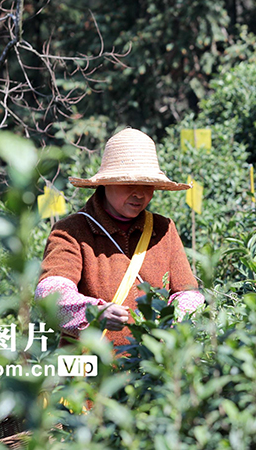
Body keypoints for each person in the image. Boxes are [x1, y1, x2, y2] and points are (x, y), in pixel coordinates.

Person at [35, 128, 204, 349]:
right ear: (106, 182)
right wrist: (94, 312)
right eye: (129, 183)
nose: (140, 194)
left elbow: (188, 292)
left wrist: (176, 321)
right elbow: (50, 292)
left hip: (152, 371)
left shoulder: (163, 229)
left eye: (147, 185)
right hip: (88, 373)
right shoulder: (71, 231)